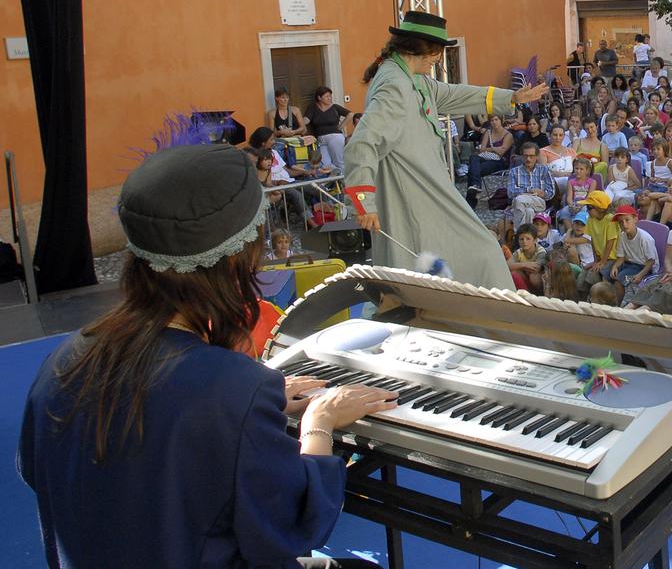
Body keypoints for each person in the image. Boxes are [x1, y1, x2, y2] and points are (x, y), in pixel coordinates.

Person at [19, 144, 394, 569]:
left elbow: (47, 474)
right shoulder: (233, 389)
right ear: (239, 258)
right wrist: (318, 424)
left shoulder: (62, 362)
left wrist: (246, 408)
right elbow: (292, 524)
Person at [344, 13, 548, 286]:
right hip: (411, 192)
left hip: (425, 189)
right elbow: (362, 143)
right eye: (438, 52)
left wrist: (510, 97)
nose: (439, 59)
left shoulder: (411, 78)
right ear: (422, 48)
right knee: (482, 253)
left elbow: (454, 95)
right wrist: (364, 203)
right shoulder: (394, 85)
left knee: (472, 254)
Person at [609, 205, 657, 302]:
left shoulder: (644, 238)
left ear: (635, 219)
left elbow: (651, 262)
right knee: (606, 272)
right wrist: (615, 266)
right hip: (629, 265)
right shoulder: (622, 236)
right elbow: (621, 258)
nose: (624, 224)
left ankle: (621, 305)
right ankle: (610, 301)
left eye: (627, 220)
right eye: (621, 222)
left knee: (621, 280)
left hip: (643, 267)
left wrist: (640, 275)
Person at [305, 86, 351, 172]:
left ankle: (344, 182)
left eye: (330, 96)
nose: (329, 98)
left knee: (339, 162)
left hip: (335, 137)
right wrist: (299, 124)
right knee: (325, 164)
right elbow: (306, 120)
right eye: (327, 96)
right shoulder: (313, 108)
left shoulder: (335, 107)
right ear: (319, 97)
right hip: (321, 139)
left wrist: (341, 127)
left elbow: (350, 114)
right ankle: (336, 179)